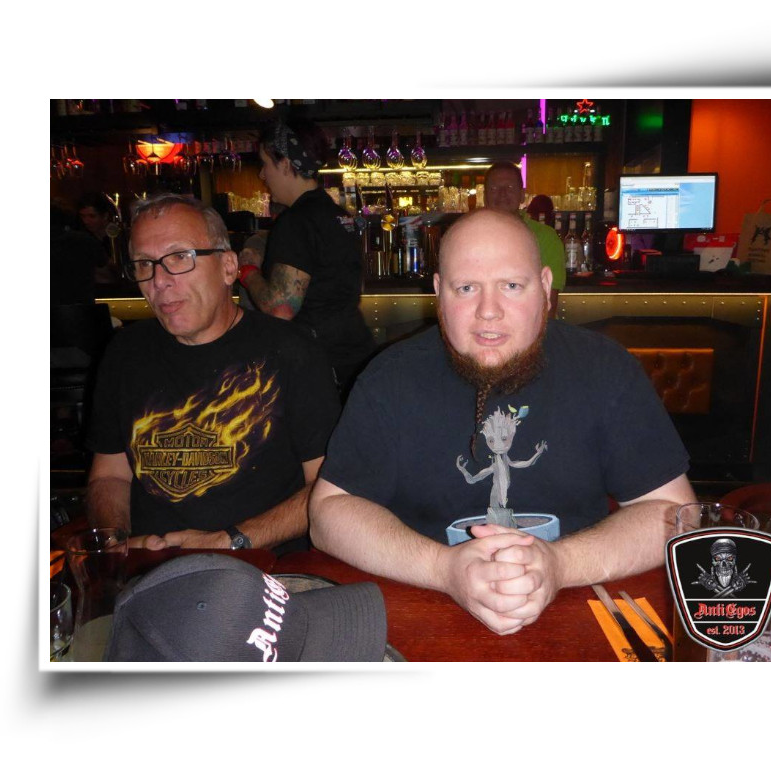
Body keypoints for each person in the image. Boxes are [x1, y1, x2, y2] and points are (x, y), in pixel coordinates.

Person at [309, 209, 696, 635]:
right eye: (466, 288)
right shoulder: (390, 378)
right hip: (426, 611)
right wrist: (444, 568)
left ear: (545, 288)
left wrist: (559, 565)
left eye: (511, 286)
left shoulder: (605, 368)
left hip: (576, 611)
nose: (488, 312)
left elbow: (673, 511)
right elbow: (328, 512)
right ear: (438, 293)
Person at [85, 193, 341, 553]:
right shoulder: (125, 352)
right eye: (144, 264)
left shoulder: (292, 352)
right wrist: (115, 545)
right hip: (151, 566)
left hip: (260, 564)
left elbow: (328, 487)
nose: (159, 280)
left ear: (228, 267)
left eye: (179, 257)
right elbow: (110, 475)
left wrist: (228, 541)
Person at [237, 119, 376, 396]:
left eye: (265, 164)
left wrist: (248, 270)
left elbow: (280, 308)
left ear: (285, 164)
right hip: (354, 354)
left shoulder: (296, 221)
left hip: (319, 366)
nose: (262, 175)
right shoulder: (339, 216)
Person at [484, 162, 566, 318]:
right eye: (494, 188)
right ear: (484, 195)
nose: (502, 194)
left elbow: (548, 305)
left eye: (509, 188)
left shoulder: (545, 237)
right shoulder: (471, 236)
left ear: (522, 195)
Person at [76, 191, 125, 284]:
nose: (86, 221)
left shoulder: (118, 237)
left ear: (105, 216)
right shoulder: (81, 237)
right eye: (83, 216)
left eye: (92, 216)